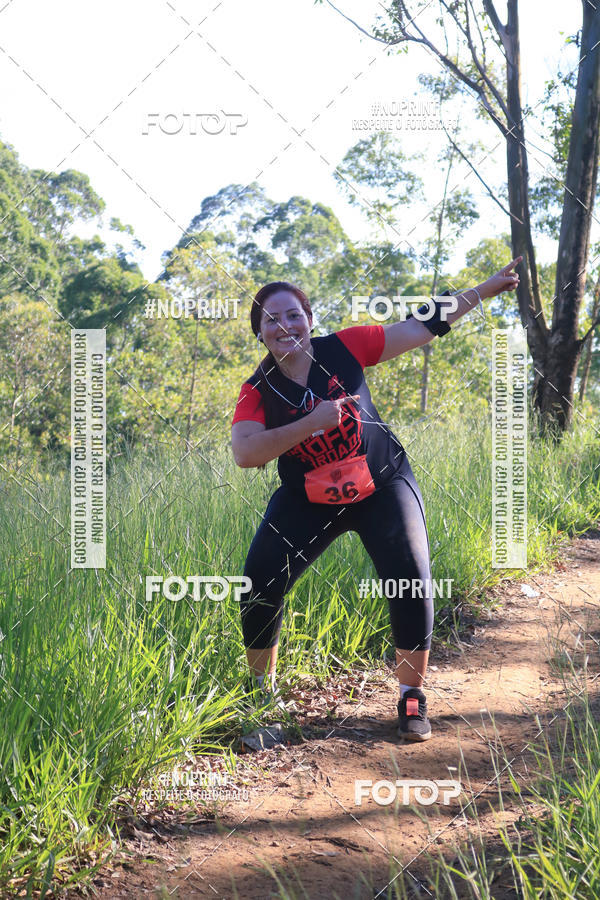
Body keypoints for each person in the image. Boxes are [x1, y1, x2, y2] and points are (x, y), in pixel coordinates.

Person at [230, 259, 521, 741]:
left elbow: (421, 325)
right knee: (259, 580)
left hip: (382, 484)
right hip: (308, 498)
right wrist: (310, 424)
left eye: (294, 314)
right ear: (259, 333)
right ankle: (262, 695)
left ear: (309, 319)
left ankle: (411, 696)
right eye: (272, 320)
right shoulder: (257, 390)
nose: (285, 326)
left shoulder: (344, 347)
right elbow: (245, 453)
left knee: (410, 578)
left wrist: (485, 289)